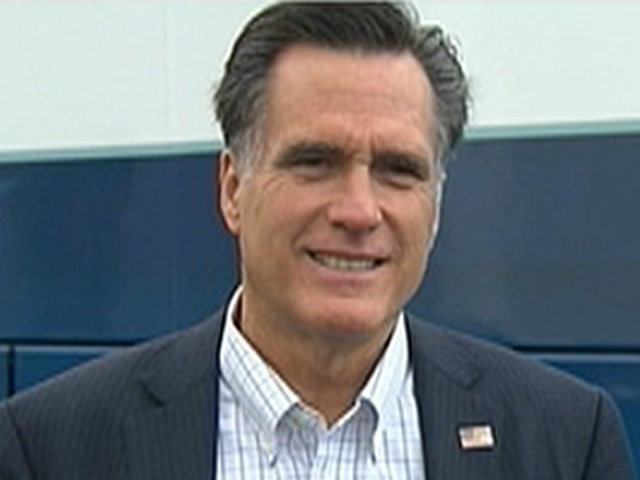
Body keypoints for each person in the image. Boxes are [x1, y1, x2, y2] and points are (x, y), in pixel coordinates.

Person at [0, 2, 636, 479]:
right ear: (232, 189)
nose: (358, 211)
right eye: (314, 162)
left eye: (398, 170)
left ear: (436, 205)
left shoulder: (565, 440)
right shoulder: (50, 448)